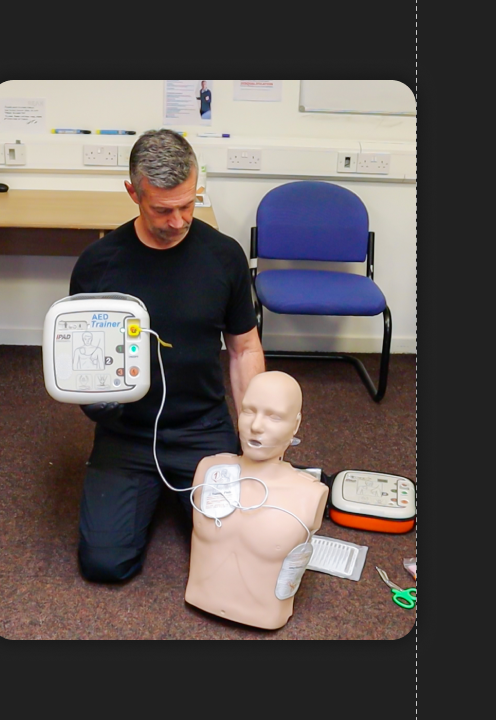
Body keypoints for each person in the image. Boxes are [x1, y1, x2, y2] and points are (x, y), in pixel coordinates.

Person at [69, 128, 264, 583]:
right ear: (133, 192)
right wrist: (90, 399)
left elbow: (244, 347)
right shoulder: (99, 265)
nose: (178, 221)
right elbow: (81, 361)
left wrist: (253, 430)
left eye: (188, 204)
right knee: (105, 565)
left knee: (241, 553)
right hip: (127, 433)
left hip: (203, 428)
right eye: (163, 209)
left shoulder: (223, 257)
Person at [185, 371, 328, 629]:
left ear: (295, 425)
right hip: (198, 598)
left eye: (274, 416)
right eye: (249, 411)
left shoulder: (310, 494)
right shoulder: (208, 470)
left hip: (264, 616)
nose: (256, 426)